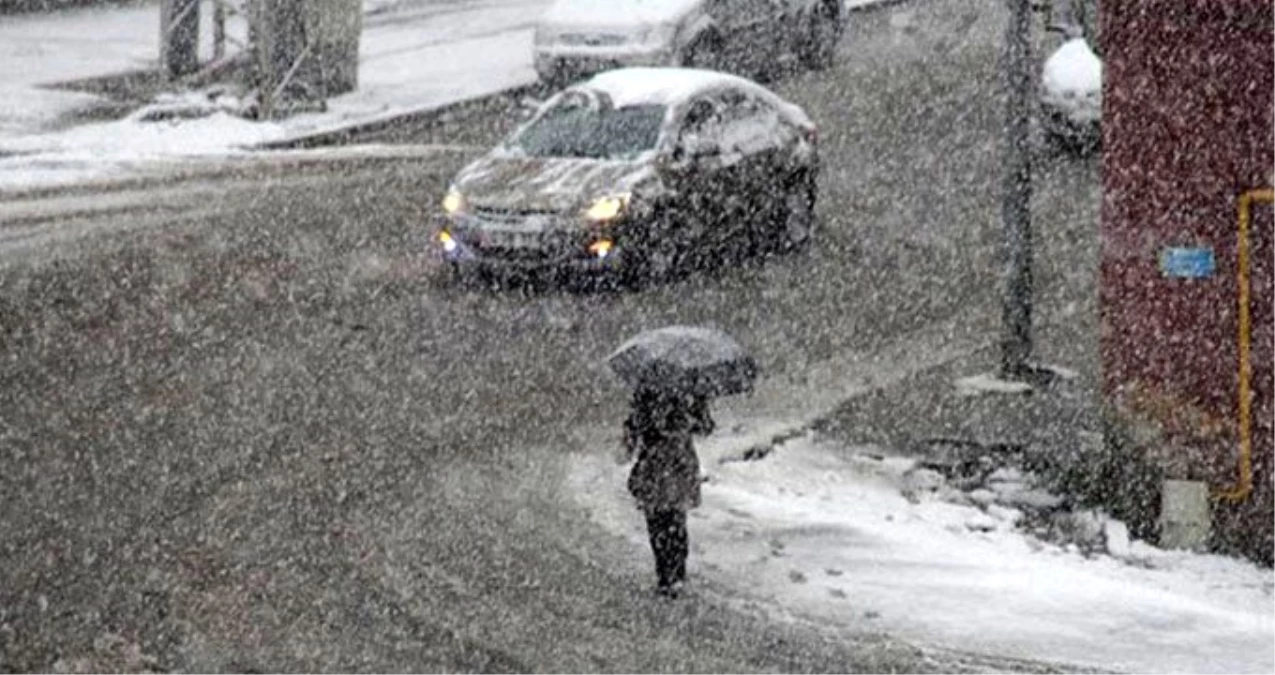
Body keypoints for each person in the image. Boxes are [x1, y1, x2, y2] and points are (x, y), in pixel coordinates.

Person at [623, 385, 702, 598]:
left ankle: (667, 574)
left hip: (659, 469)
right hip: (675, 468)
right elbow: (703, 425)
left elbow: (632, 435)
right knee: (673, 521)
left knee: (660, 523)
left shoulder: (646, 397)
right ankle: (675, 573)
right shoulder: (687, 393)